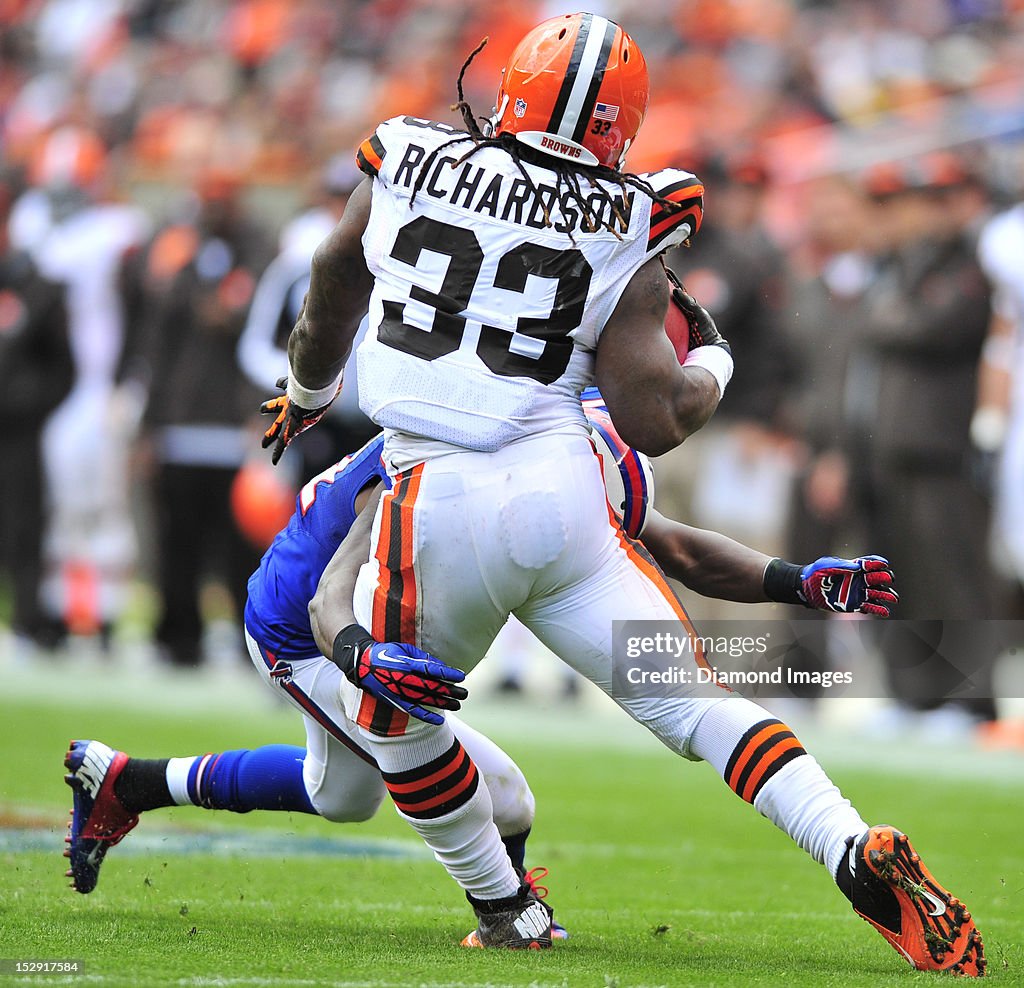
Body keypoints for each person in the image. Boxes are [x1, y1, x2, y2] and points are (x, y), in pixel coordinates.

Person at [259, 13, 984, 973]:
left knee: (396, 718)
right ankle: (846, 845)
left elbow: (330, 278)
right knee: (696, 704)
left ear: (511, 87)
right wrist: (715, 364)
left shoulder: (405, 157)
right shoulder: (633, 211)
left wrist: (308, 393)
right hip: (566, 491)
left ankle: (505, 906)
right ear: (622, 124)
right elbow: (651, 417)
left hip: (433, 492)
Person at [63, 394, 895, 915]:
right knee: (500, 795)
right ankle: (506, 913)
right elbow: (331, 596)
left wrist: (794, 581)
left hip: (361, 620)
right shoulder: (458, 448)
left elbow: (672, 544)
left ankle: (129, 780)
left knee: (343, 793)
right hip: (307, 627)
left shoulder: (577, 437)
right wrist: (359, 656)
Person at [0, 169, 74, 651]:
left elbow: (62, 367)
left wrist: (26, 406)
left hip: (17, 431)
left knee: (23, 524)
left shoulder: (40, 288)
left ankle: (26, 619)